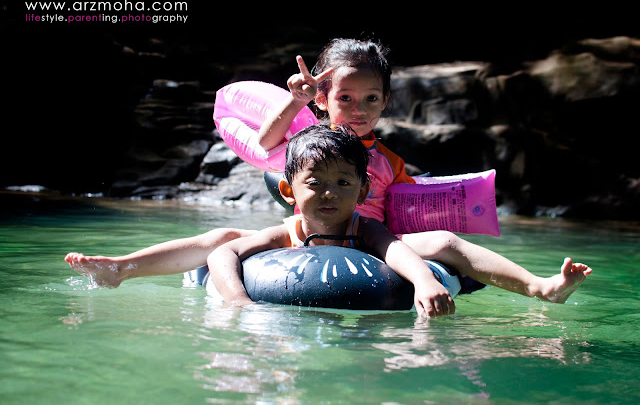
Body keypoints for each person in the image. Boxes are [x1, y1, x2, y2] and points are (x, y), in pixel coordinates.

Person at [65, 37, 592, 313]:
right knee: (221, 237)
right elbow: (269, 143)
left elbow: (398, 220)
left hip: (370, 239)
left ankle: (540, 287)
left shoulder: (385, 160)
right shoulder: (304, 145)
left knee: (447, 240)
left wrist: (423, 269)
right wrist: (291, 101)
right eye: (345, 98)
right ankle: (122, 267)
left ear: (385, 102)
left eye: (371, 99)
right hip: (307, 237)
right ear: (321, 97)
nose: (358, 108)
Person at [209, 124, 455, 316]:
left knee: (447, 243)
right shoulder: (286, 235)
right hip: (290, 317)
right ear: (288, 191)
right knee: (217, 237)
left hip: (366, 309)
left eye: (344, 183)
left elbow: (394, 248)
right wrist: (238, 300)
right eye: (315, 183)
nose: (330, 193)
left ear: (362, 192)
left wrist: (424, 280)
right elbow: (221, 254)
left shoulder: (364, 229)